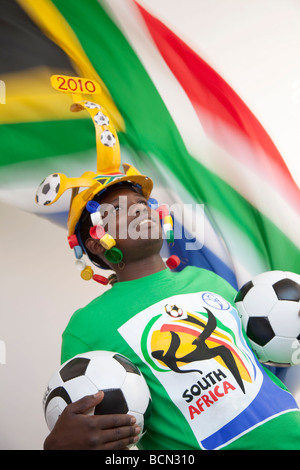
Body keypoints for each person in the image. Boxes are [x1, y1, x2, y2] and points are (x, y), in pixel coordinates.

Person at [37, 97, 300, 450]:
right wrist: (59, 446)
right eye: (116, 209)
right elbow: (91, 429)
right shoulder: (86, 329)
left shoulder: (210, 282)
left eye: (142, 203)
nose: (137, 211)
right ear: (96, 245)